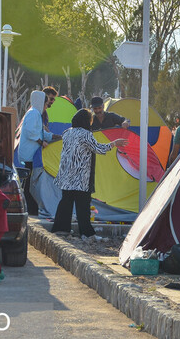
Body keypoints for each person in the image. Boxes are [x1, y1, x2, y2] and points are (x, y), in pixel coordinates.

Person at [51, 109, 127, 239]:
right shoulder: (86, 134)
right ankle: (86, 233)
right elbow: (98, 148)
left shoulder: (67, 133)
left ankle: (61, 229)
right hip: (80, 177)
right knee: (83, 206)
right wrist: (114, 143)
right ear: (86, 121)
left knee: (66, 202)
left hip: (66, 175)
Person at [19, 90, 54, 215]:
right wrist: (41, 142)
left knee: (30, 182)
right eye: (46, 103)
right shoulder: (33, 113)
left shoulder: (36, 114)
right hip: (30, 154)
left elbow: (40, 132)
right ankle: (31, 209)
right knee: (30, 184)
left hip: (31, 154)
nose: (46, 106)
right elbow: (30, 132)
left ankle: (32, 209)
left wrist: (54, 136)